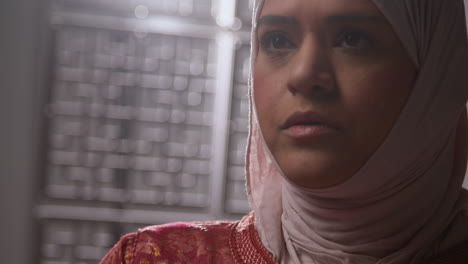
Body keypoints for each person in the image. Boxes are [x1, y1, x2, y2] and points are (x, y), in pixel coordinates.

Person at [99, 0, 468, 263]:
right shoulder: (154, 259)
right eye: (277, 40)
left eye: (353, 39)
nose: (304, 75)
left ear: (436, 75)